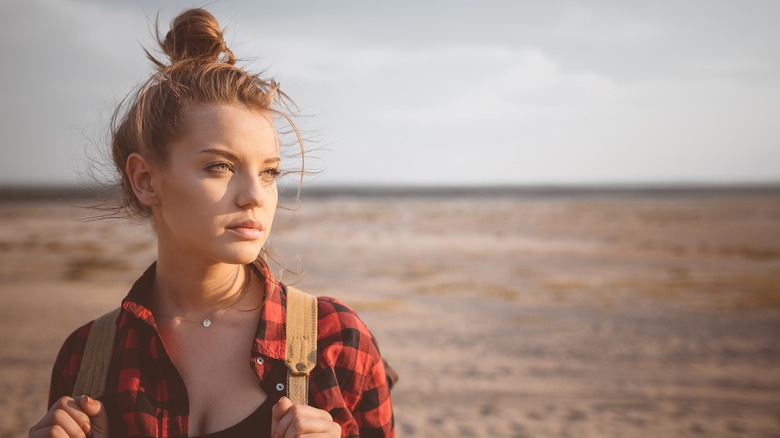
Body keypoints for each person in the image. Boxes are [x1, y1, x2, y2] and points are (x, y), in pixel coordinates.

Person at [28, 8, 394, 438]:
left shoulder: (335, 340)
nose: (255, 195)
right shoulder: (88, 356)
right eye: (220, 166)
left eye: (269, 172)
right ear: (146, 180)